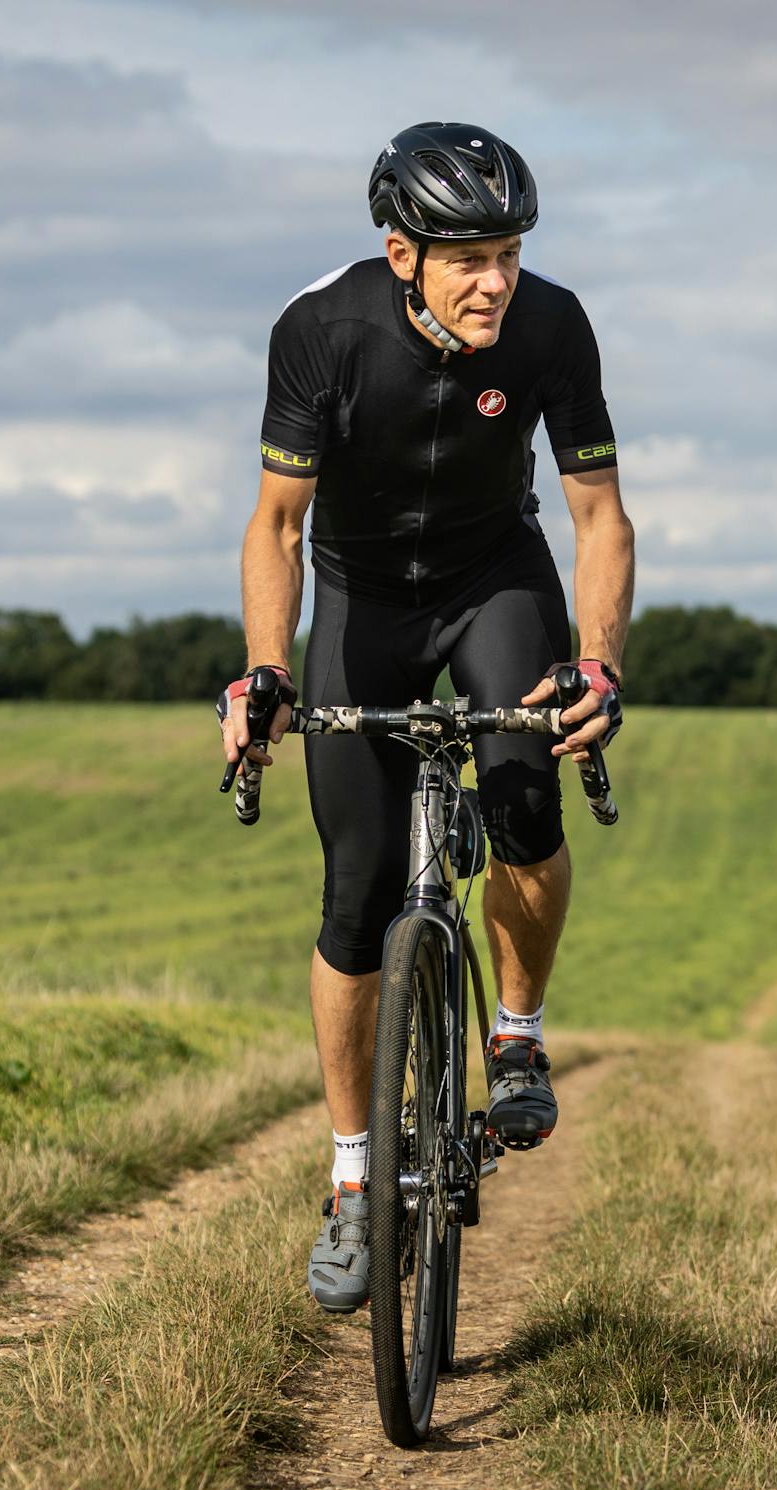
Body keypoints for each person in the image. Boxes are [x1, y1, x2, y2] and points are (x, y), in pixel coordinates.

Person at [217, 122, 635, 1312]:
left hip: (493, 577)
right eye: (467, 257)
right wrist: (263, 674)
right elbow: (279, 527)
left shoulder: (554, 329)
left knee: (523, 799)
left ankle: (514, 1032)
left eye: (507, 251)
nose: (496, 279)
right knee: (354, 893)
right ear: (402, 252)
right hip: (360, 592)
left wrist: (598, 669)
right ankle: (354, 1180)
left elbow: (601, 516)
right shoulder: (324, 331)